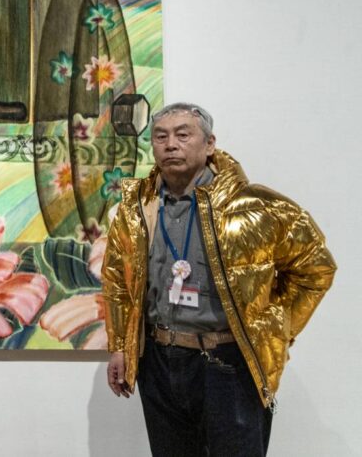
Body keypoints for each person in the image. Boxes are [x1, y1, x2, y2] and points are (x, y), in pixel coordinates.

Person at [101, 102, 336, 456]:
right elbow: (118, 279)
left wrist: (274, 328)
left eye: (183, 135)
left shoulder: (256, 206)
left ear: (209, 143)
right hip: (159, 362)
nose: (170, 144)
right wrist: (120, 345)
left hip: (228, 363)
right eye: (160, 137)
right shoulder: (135, 209)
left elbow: (316, 268)